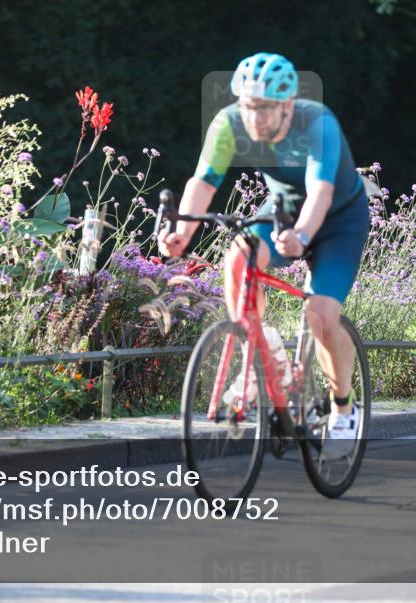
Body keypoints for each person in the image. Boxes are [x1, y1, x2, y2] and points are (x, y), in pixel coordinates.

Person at [157, 52, 370, 452]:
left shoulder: (317, 123)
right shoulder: (230, 123)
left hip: (339, 218)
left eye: (265, 109)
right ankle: (261, 349)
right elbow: (203, 181)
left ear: (287, 105)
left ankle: (344, 408)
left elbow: (321, 192)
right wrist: (181, 232)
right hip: (285, 209)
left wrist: (304, 235)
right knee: (239, 254)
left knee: (321, 315)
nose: (254, 118)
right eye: (248, 106)